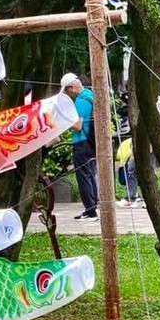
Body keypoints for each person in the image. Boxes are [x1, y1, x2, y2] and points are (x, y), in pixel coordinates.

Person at [60, 72, 97, 221]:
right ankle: (92, 207)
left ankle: (90, 211)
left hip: (81, 142)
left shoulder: (80, 101)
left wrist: (62, 122)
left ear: (72, 88)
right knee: (90, 174)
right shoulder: (90, 95)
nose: (68, 95)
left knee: (83, 177)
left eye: (67, 91)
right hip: (90, 142)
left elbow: (77, 125)